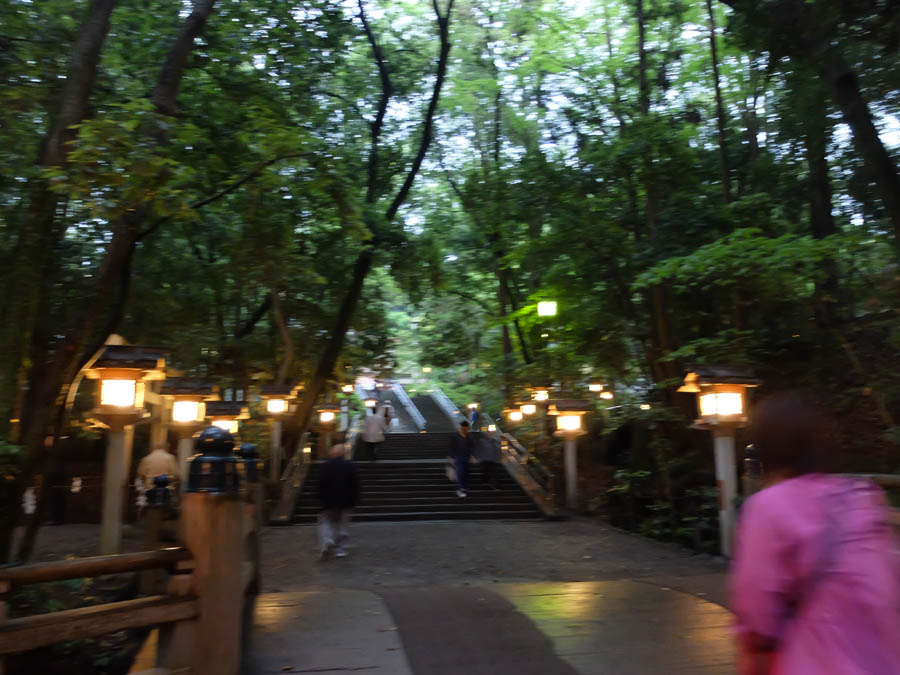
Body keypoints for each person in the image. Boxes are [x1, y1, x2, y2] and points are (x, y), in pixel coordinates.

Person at [730, 391, 900, 675]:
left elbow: (756, 609)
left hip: (815, 661)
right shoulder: (862, 495)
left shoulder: (768, 507)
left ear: (766, 450)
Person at [316, 443, 359, 560]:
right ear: (343, 453)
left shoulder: (325, 466)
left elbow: (320, 484)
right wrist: (355, 500)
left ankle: (328, 540)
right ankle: (340, 549)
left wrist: (318, 497)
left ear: (333, 453)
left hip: (328, 500)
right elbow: (355, 484)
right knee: (343, 525)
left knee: (325, 522)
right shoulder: (350, 466)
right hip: (346, 501)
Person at [449, 420, 475, 497]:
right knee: (460, 473)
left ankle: (464, 487)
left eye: (466, 428)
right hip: (458, 457)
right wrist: (451, 456)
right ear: (462, 427)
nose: (465, 429)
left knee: (466, 473)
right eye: (464, 427)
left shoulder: (469, 436)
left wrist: (473, 455)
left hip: (467, 457)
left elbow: (472, 447)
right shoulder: (456, 435)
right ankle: (459, 489)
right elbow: (452, 447)